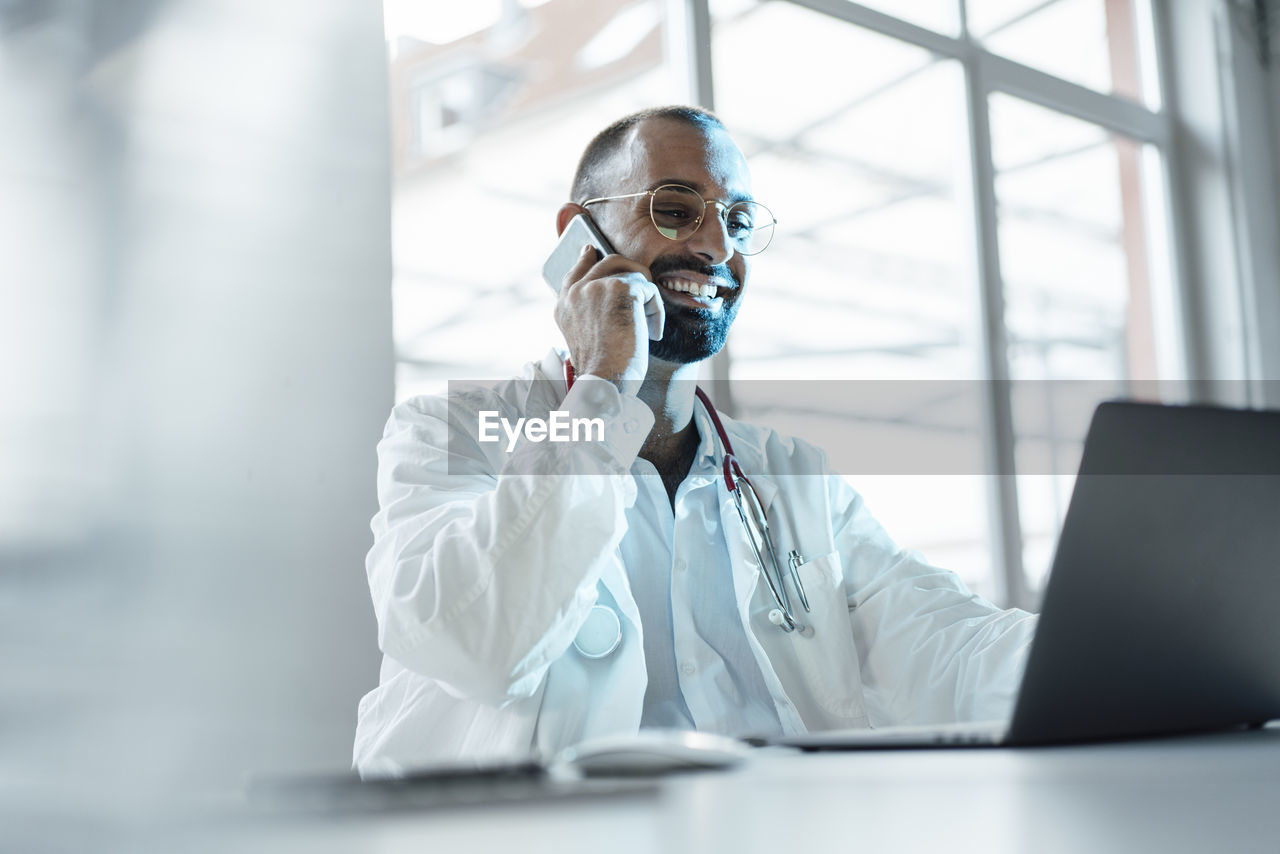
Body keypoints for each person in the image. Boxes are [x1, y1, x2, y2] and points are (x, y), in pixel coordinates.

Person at [353, 106, 1036, 774]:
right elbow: (475, 644)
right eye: (675, 210)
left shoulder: (789, 473)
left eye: (736, 221)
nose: (717, 248)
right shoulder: (450, 432)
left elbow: (949, 642)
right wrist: (603, 382)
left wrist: (1107, 644)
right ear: (578, 236)